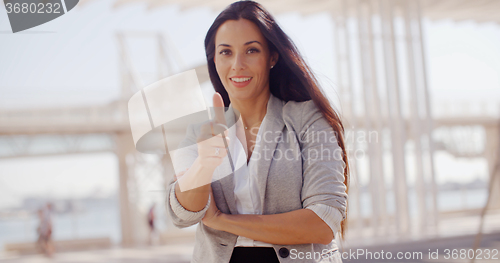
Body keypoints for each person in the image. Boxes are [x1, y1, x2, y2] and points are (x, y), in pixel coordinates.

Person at [166, 1, 349, 262]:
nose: (238, 64)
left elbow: (323, 223)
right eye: (226, 52)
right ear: (214, 60)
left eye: (251, 50)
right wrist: (203, 166)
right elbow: (182, 214)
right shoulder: (200, 130)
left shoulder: (308, 119)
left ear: (272, 56)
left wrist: (223, 221)